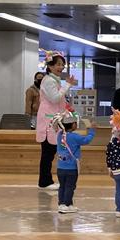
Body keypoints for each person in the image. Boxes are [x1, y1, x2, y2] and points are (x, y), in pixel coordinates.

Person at [35, 51, 77, 190]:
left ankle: (46, 180)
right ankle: (44, 181)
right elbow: (54, 98)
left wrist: (67, 107)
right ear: (50, 66)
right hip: (49, 121)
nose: (61, 67)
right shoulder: (48, 80)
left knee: (50, 152)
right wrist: (67, 85)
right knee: (48, 152)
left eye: (62, 65)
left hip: (54, 120)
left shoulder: (54, 80)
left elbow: (58, 100)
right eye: (58, 64)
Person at [50, 109, 96, 214]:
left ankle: (63, 204)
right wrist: (92, 131)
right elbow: (86, 140)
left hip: (60, 167)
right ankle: (66, 205)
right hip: (71, 168)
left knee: (62, 186)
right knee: (70, 187)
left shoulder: (60, 135)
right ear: (73, 125)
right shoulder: (75, 137)